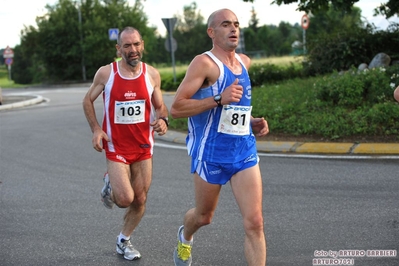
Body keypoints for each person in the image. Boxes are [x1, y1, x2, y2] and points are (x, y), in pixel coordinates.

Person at [170, 8, 269, 266]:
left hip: (243, 151)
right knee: (204, 216)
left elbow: (235, 109)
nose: (233, 29)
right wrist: (217, 99)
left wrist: (251, 121)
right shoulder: (203, 63)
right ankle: (185, 236)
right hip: (210, 155)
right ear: (211, 32)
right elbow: (177, 108)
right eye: (226, 24)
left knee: (255, 222)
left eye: (236, 24)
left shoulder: (244, 62)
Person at [82, 26, 169, 261]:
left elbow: (160, 107)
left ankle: (124, 240)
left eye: (136, 44)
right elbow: (87, 101)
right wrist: (96, 130)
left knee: (140, 199)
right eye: (127, 46)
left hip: (143, 147)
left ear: (143, 45)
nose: (133, 50)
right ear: (118, 48)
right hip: (115, 146)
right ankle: (110, 182)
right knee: (125, 199)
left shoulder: (152, 75)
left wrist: (163, 120)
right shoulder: (106, 73)